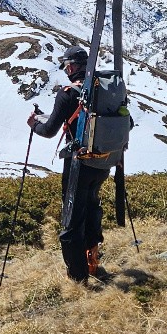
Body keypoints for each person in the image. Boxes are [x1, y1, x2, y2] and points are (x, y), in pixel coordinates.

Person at [28, 44, 109, 284]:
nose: (65, 69)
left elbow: (50, 130)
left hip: (78, 164)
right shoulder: (102, 88)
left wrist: (34, 124)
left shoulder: (68, 93)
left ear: (72, 66)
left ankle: (77, 277)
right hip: (103, 162)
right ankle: (92, 259)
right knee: (93, 207)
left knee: (72, 220)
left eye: (65, 65)